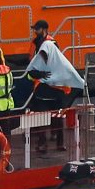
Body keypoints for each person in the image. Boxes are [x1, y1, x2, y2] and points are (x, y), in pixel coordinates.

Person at [27, 24, 69, 153]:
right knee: (41, 116)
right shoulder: (36, 43)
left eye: (37, 29)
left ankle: (59, 142)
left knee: (58, 116)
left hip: (54, 87)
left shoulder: (51, 44)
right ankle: (42, 143)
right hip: (41, 86)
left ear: (44, 30)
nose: (35, 31)